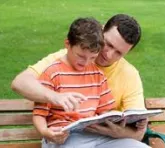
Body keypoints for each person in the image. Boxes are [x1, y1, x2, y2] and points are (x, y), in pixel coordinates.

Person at [11, 14, 152, 147]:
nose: (108, 55)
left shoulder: (128, 74)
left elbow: (138, 134)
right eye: (108, 44)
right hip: (68, 136)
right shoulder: (67, 58)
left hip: (103, 138)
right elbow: (20, 83)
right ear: (101, 31)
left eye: (118, 52)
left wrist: (118, 129)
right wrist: (56, 97)